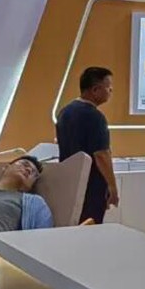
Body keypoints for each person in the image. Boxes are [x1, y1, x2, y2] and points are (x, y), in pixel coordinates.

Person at [56, 66, 117, 224]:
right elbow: (101, 155)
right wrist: (112, 186)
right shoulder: (95, 116)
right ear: (95, 90)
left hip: (69, 182)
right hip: (91, 186)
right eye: (108, 87)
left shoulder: (64, 112)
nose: (111, 91)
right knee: (91, 226)